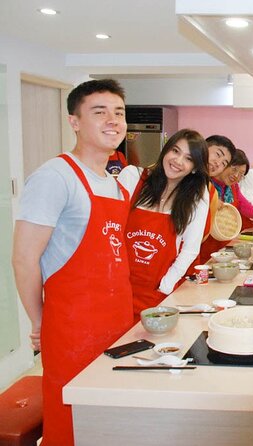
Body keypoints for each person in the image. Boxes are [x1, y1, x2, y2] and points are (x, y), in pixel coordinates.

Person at [12, 79, 133, 446]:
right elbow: (23, 259)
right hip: (72, 329)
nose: (113, 120)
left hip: (117, 324)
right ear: (75, 122)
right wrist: (39, 321)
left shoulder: (113, 183)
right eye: (100, 112)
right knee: (72, 425)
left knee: (110, 421)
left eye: (119, 113)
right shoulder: (55, 176)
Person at [118, 129, 209, 319]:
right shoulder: (133, 177)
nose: (178, 161)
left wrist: (165, 286)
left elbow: (190, 250)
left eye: (188, 158)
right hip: (118, 289)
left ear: (194, 167)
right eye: (175, 151)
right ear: (165, 150)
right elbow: (111, 231)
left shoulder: (196, 197)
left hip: (156, 294)